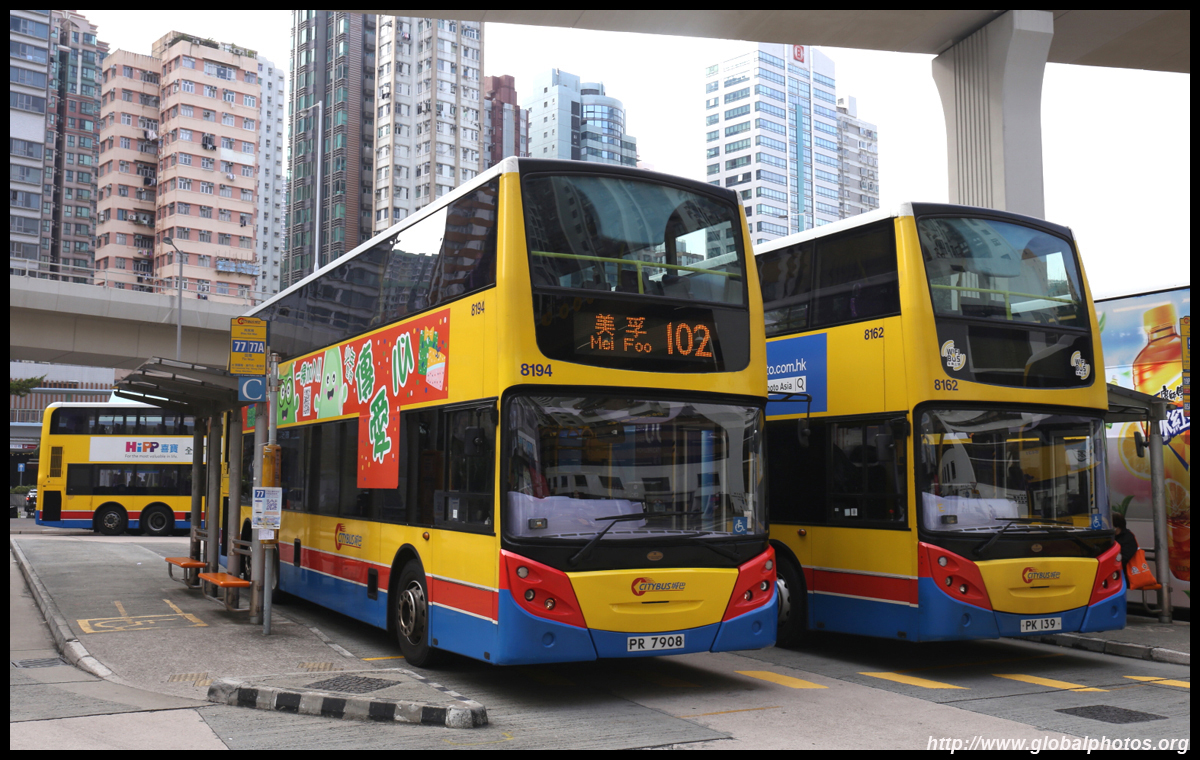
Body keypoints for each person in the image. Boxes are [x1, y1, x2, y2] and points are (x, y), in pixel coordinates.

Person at [1112, 513, 1139, 584]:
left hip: (1123, 573)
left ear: (1117, 526)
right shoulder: (1111, 536)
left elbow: (1125, 556)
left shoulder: (1128, 537)